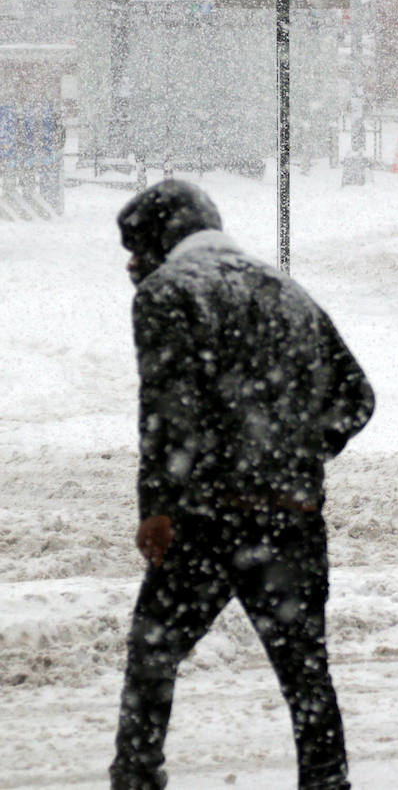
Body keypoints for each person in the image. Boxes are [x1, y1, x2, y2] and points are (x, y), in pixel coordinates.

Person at [109, 180, 374, 790]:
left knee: (153, 653)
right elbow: (356, 396)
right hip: (290, 517)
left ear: (163, 238)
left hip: (206, 515)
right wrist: (295, 455)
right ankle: (327, 783)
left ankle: (137, 777)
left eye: (136, 246)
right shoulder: (287, 291)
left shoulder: (168, 292)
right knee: (306, 672)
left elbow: (167, 405)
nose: (131, 262)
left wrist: (158, 508)